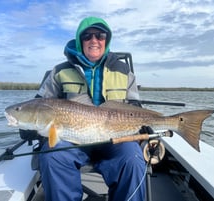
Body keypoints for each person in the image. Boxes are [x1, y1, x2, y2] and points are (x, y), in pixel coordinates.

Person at [36, 16, 146, 201]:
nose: (94, 40)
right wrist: (30, 126)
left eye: (100, 35)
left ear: (107, 39)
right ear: (80, 41)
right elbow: (40, 103)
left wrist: (142, 122)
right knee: (52, 155)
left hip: (115, 139)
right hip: (72, 139)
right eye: (87, 36)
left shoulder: (124, 72)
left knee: (133, 158)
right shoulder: (59, 71)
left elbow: (135, 105)